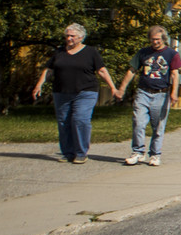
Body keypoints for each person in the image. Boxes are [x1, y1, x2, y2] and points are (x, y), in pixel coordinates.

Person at [32, 23, 118, 163]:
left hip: (85, 92)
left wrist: (113, 88)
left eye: (72, 36)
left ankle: (80, 152)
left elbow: (101, 70)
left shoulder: (90, 52)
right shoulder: (59, 52)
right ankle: (67, 153)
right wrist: (39, 85)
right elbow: (49, 70)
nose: (69, 38)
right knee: (64, 122)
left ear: (81, 37)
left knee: (80, 119)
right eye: (67, 36)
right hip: (61, 92)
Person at [115, 25, 181, 166]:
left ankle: (155, 154)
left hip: (161, 94)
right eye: (152, 39)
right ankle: (138, 152)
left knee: (158, 126)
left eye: (157, 39)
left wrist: (174, 93)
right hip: (143, 92)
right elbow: (132, 70)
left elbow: (175, 74)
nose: (155, 42)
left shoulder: (171, 54)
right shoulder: (143, 53)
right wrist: (121, 89)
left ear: (163, 38)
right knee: (138, 122)